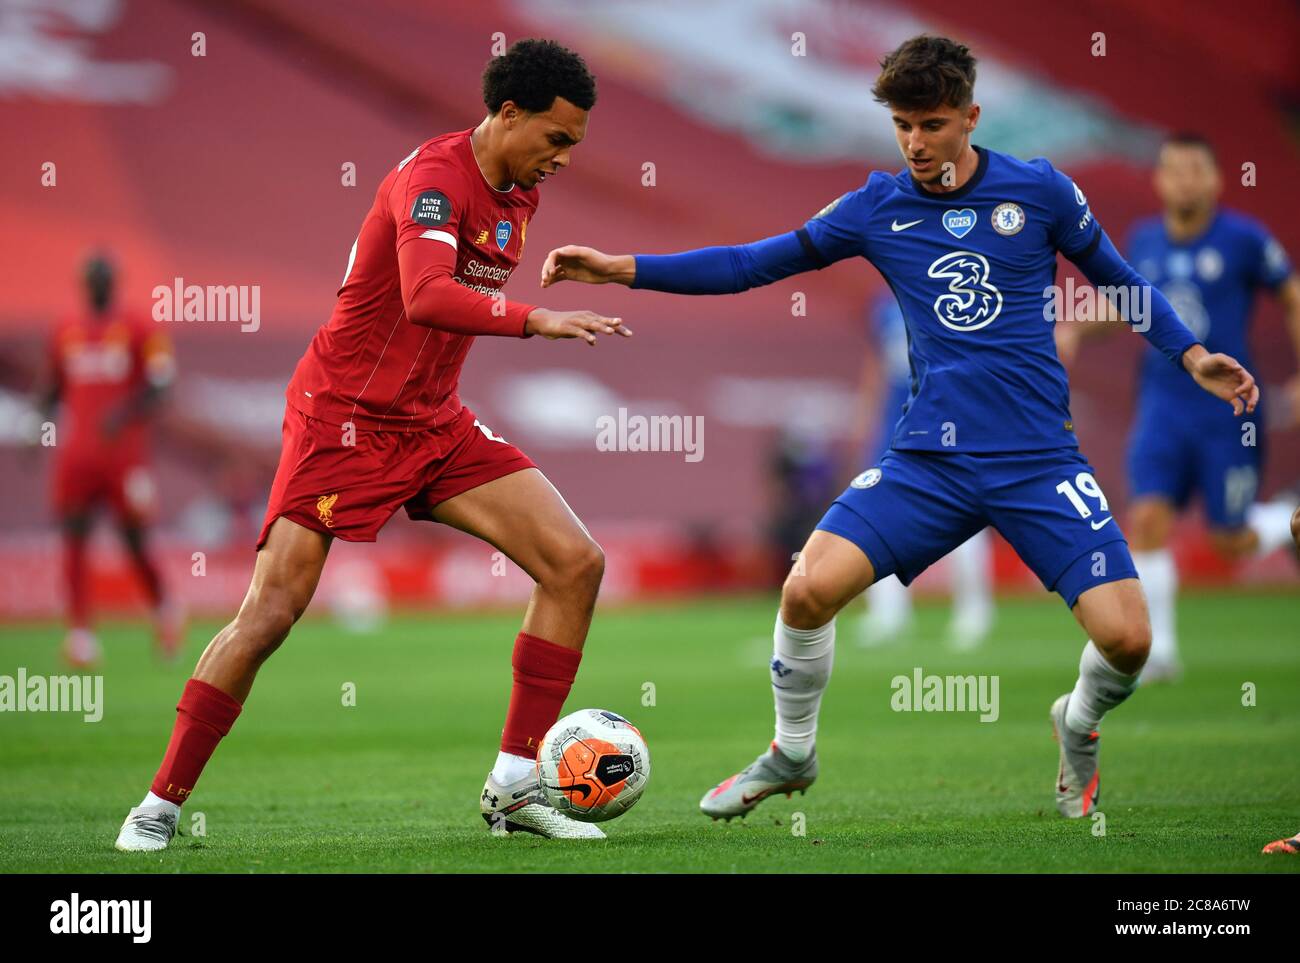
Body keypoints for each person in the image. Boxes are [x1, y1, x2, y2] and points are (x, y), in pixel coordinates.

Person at [539, 35, 1258, 821]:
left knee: (1128, 641)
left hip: (1039, 460)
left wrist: (1190, 354)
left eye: (933, 124)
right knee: (808, 588)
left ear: (972, 118)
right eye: (903, 125)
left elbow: (1118, 279)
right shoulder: (876, 208)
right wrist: (621, 267)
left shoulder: (1042, 192)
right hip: (931, 461)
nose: (916, 143)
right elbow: (751, 263)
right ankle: (791, 751)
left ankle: (1076, 724)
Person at [115, 39, 630, 851]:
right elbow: (426, 296)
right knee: (272, 613)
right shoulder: (435, 179)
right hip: (344, 419)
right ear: (506, 114)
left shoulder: (520, 190)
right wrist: (535, 318)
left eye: (572, 145)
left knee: (576, 563)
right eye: (556, 138)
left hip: (433, 423)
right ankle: (159, 804)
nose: (563, 158)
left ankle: (515, 783)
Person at [1059, 133, 1300, 682]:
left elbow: (1290, 294)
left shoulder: (1244, 239)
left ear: (1215, 180)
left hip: (1228, 411)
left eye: (1195, 170)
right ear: (1160, 180)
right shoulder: (1144, 241)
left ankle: (1285, 521)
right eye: (1173, 170)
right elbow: (1127, 305)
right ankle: (1158, 654)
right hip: (1162, 407)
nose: (1184, 180)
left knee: (1230, 540)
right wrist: (1075, 329)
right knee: (1146, 518)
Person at [40, 253, 181, 667]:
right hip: (77, 455)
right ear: (85, 283)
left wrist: (123, 414)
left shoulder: (139, 327)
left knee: (133, 540)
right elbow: (51, 385)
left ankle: (164, 609)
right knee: (74, 535)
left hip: (125, 458)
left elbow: (162, 384)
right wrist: (36, 423)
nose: (98, 285)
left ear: (114, 283)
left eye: (104, 279)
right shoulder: (66, 329)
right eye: (93, 279)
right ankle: (81, 634)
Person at [855, 291, 993, 649]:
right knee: (878, 514)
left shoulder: (952, 295)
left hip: (944, 419)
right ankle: (888, 614)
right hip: (895, 421)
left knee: (964, 514)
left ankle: (974, 611)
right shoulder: (883, 307)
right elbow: (878, 365)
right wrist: (867, 416)